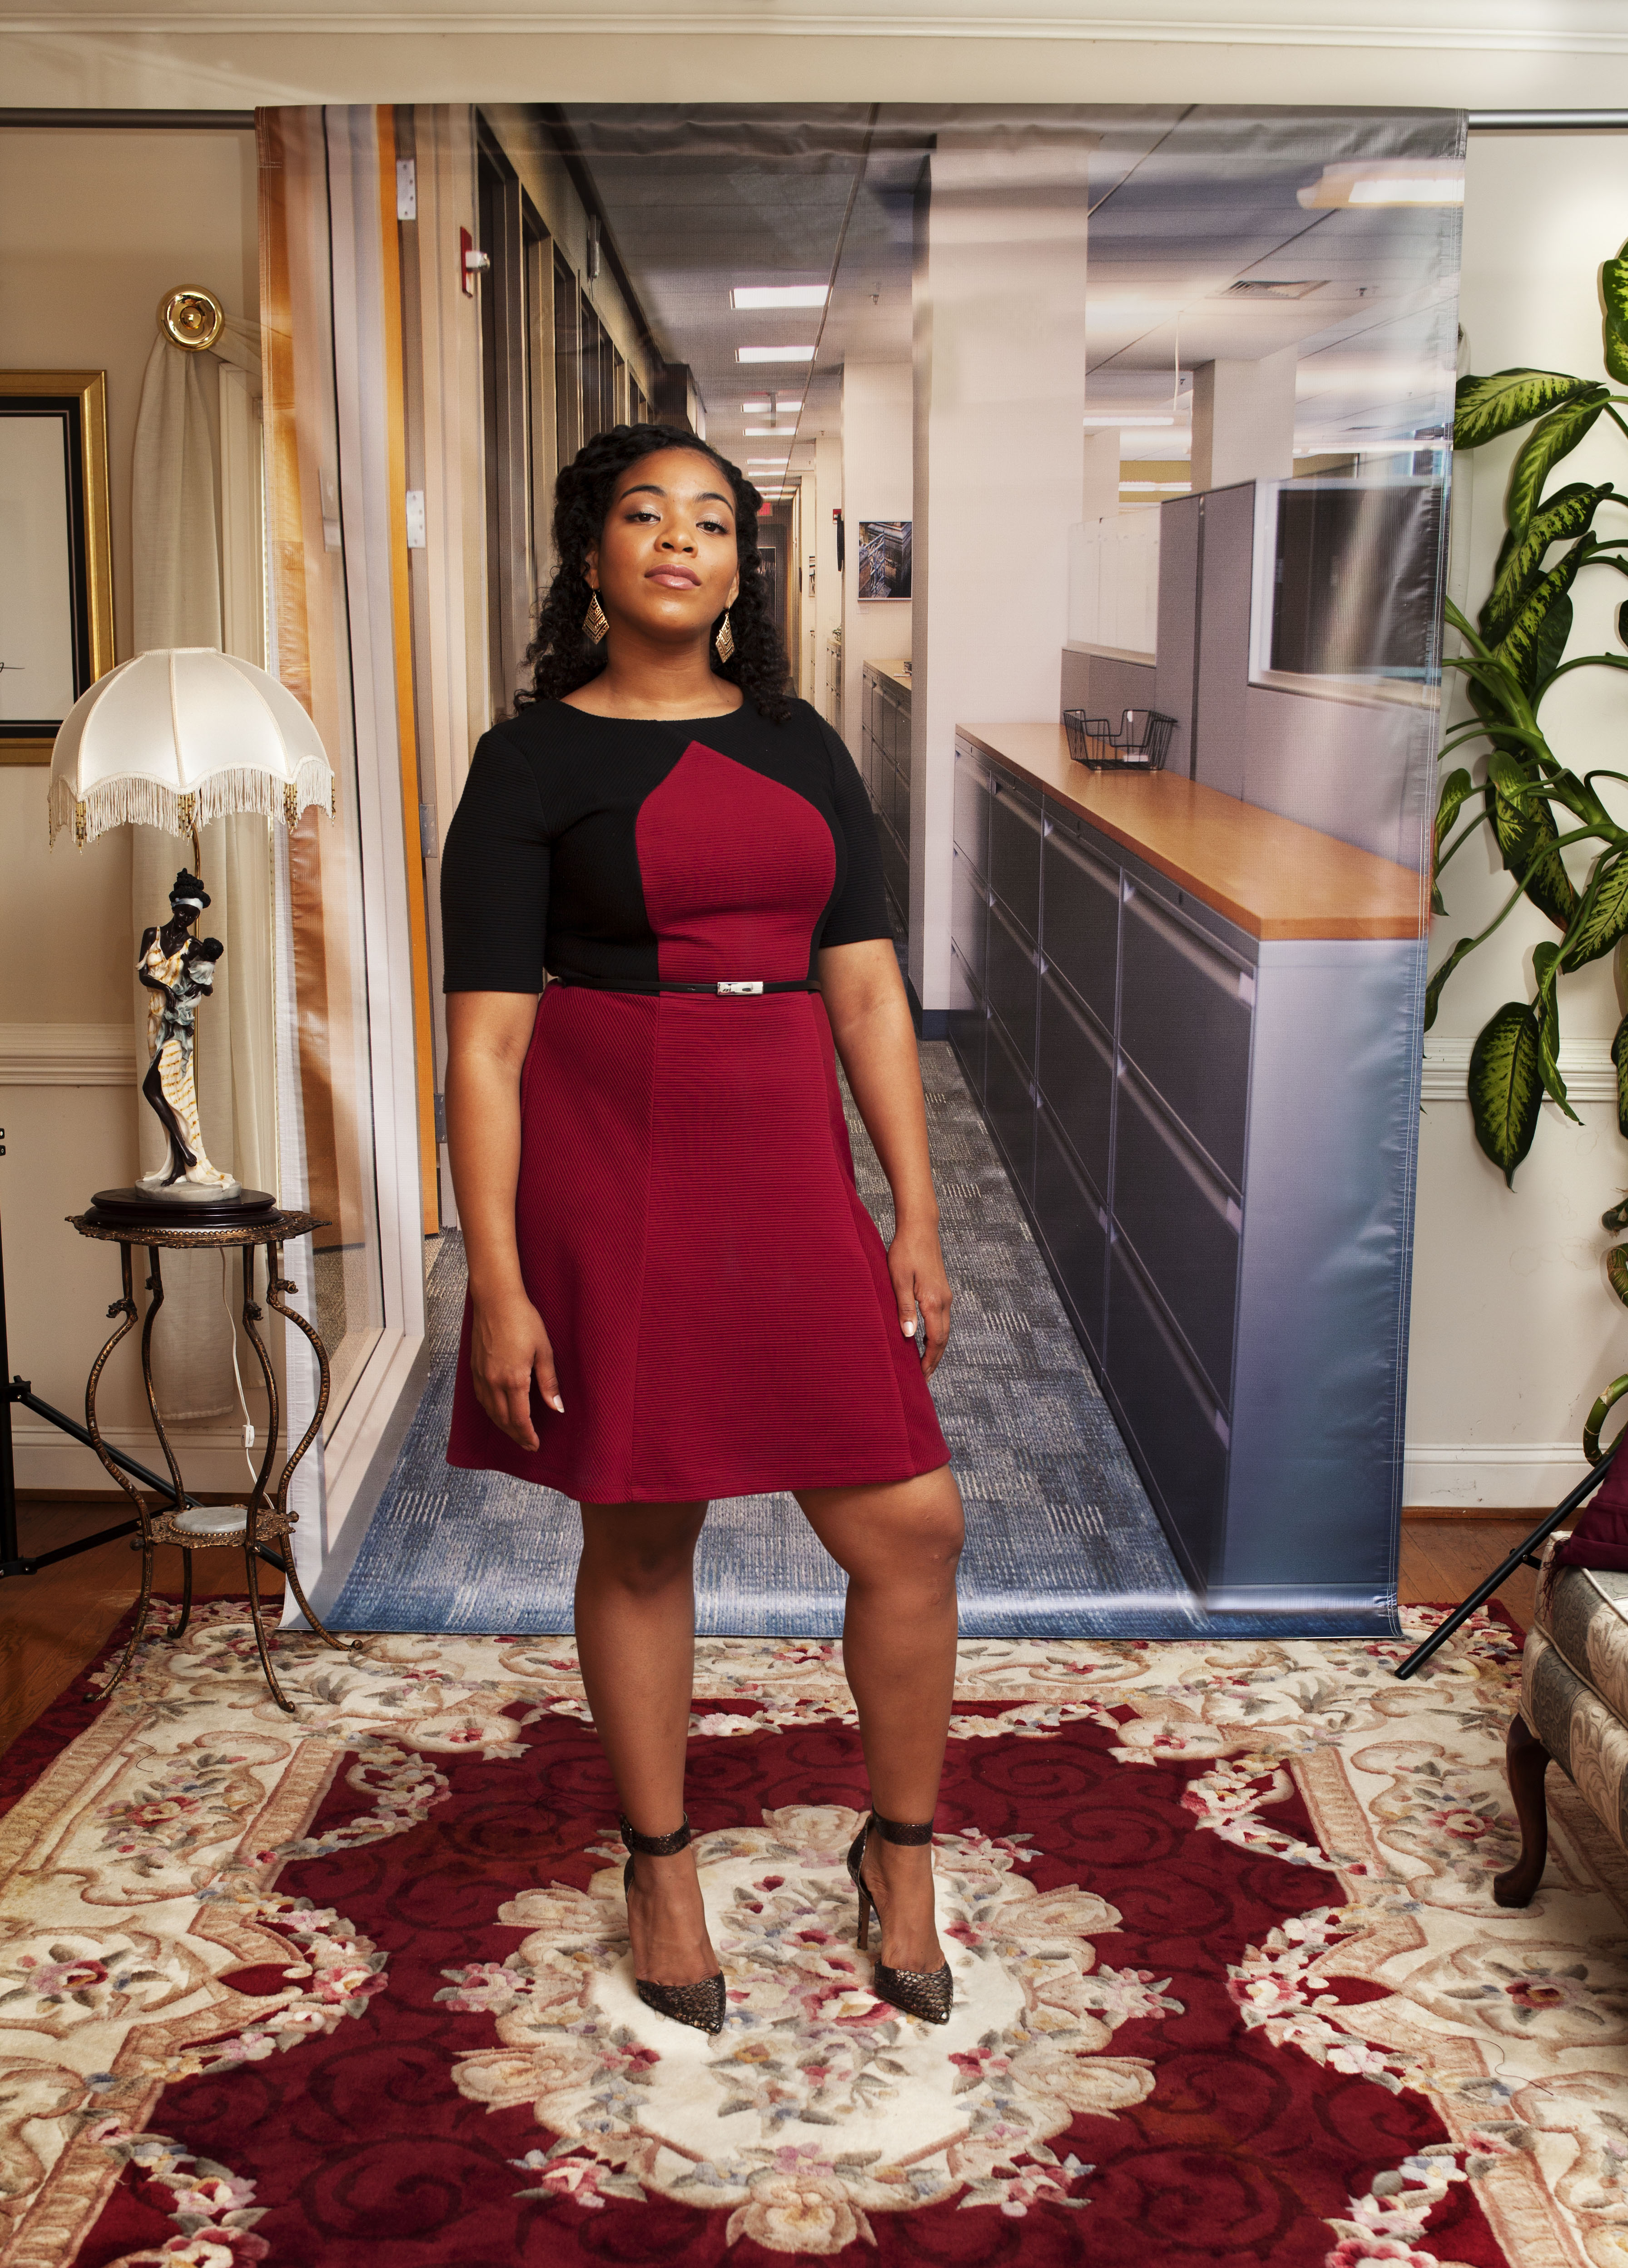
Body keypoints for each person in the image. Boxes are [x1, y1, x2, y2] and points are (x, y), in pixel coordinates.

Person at [439, 423, 965, 2036]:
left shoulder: (806, 743)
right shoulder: (527, 763)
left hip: (781, 1135)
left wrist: (915, 1212)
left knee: (912, 1525)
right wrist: (502, 1283)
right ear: (590, 553)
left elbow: (866, 988)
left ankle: (904, 1852)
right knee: (645, 1525)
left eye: (714, 521)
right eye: (646, 516)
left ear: (743, 562)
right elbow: (487, 1045)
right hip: (616, 1148)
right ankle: (659, 1867)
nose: (682, 542)